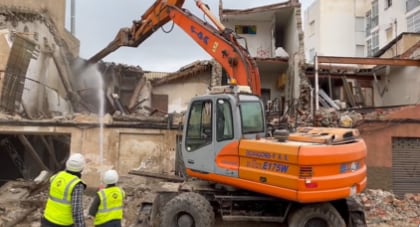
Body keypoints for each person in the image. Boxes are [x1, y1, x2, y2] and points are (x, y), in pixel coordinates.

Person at [41, 153, 87, 227]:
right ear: (82, 168)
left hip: (47, 220)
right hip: (63, 223)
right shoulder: (77, 184)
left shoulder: (56, 176)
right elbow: (76, 211)